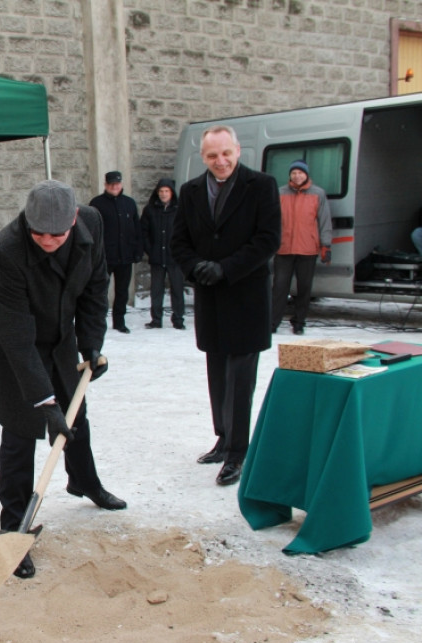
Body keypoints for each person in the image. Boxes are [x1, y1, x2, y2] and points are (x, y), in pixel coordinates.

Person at [0, 180, 126, 580]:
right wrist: (44, 403)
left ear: (74, 219)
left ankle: (84, 483)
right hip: (13, 348)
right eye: (38, 232)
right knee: (21, 431)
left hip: (60, 334)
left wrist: (91, 346)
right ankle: (14, 526)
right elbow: (16, 336)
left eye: (56, 234)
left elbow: (96, 289)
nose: (46, 240)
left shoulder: (92, 225)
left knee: (75, 416)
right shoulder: (5, 252)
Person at [170, 125, 281, 486]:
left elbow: (268, 239)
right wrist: (195, 267)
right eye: (212, 156)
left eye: (225, 153)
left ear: (237, 150)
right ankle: (222, 438)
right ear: (203, 157)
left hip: (246, 296)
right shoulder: (189, 191)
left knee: (240, 377)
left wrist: (226, 268)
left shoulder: (261, 185)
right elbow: (179, 240)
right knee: (217, 372)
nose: (220, 161)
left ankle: (237, 451)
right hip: (210, 298)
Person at [271, 160, 333, 335]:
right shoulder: (280, 192)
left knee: (304, 288)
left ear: (306, 175)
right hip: (283, 249)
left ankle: (299, 323)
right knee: (279, 288)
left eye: (300, 173)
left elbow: (324, 221)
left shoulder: (318, 194)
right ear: (289, 175)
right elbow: (271, 220)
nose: (297, 176)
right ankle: (272, 322)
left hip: (308, 249)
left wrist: (325, 245)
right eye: (293, 173)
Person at [89, 171, 142, 333]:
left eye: (117, 183)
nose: (115, 186)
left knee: (122, 291)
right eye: (111, 184)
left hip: (125, 256)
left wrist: (138, 251)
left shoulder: (129, 203)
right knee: (99, 290)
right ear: (105, 185)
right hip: (104, 257)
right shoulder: (96, 204)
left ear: (121, 184)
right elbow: (91, 230)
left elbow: (137, 230)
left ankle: (119, 322)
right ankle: (98, 321)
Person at [140, 179, 186, 330]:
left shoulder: (180, 210)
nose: (163, 194)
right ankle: (156, 319)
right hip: (157, 257)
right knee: (156, 290)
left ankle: (178, 319)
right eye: (161, 191)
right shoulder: (150, 210)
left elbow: (186, 231)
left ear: (172, 193)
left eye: (166, 191)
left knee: (178, 289)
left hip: (175, 257)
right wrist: (150, 249)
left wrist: (181, 250)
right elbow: (143, 232)